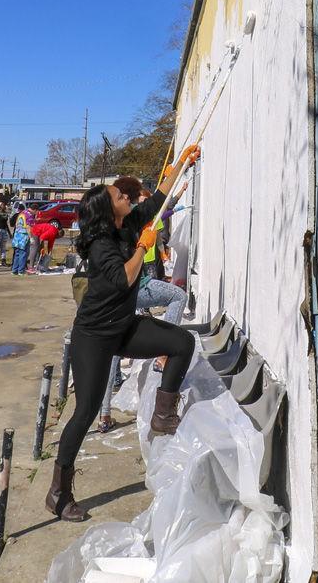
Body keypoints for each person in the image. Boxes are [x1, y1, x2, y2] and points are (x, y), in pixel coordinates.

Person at [45, 145, 199, 522]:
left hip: (125, 327)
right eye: (119, 195)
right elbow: (125, 279)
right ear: (106, 208)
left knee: (182, 342)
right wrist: (143, 248)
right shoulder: (100, 246)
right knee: (85, 412)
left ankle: (164, 414)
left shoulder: (128, 223)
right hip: (94, 337)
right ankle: (58, 492)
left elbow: (158, 198)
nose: (126, 196)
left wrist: (182, 162)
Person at [97, 177, 188, 433]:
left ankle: (104, 415)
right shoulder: (122, 226)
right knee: (177, 296)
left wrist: (179, 174)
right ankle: (163, 353)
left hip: (135, 284)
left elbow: (164, 203)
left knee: (113, 354)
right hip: (132, 286)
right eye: (138, 200)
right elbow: (122, 276)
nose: (143, 205)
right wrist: (142, 246)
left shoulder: (130, 218)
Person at [11, 206, 31, 275]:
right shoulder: (29, 215)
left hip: (17, 236)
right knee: (23, 254)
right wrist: (31, 237)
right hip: (23, 237)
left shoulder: (21, 214)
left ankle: (14, 270)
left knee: (17, 254)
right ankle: (21, 271)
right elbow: (28, 227)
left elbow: (16, 224)